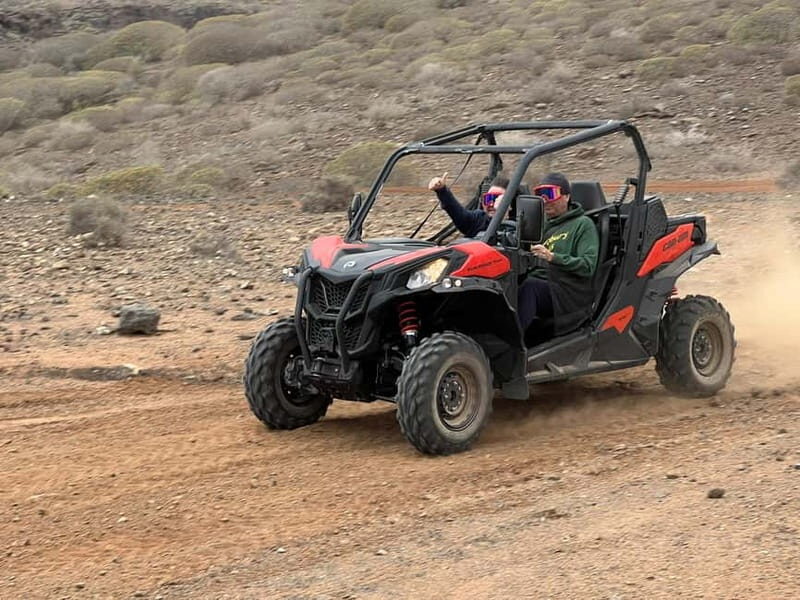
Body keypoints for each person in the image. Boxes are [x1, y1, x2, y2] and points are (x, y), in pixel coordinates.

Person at [519, 172, 599, 336]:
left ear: (566, 197)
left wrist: (552, 257)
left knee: (529, 288)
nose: (545, 200)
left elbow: (588, 266)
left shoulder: (583, 225)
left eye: (550, 194)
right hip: (541, 281)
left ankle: (510, 346)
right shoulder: (540, 224)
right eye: (541, 195)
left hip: (566, 290)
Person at [428, 172, 509, 237]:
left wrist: (501, 211)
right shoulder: (479, 219)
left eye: (497, 199)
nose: (491, 204)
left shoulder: (518, 227)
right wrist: (442, 191)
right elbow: (458, 214)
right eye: (489, 198)